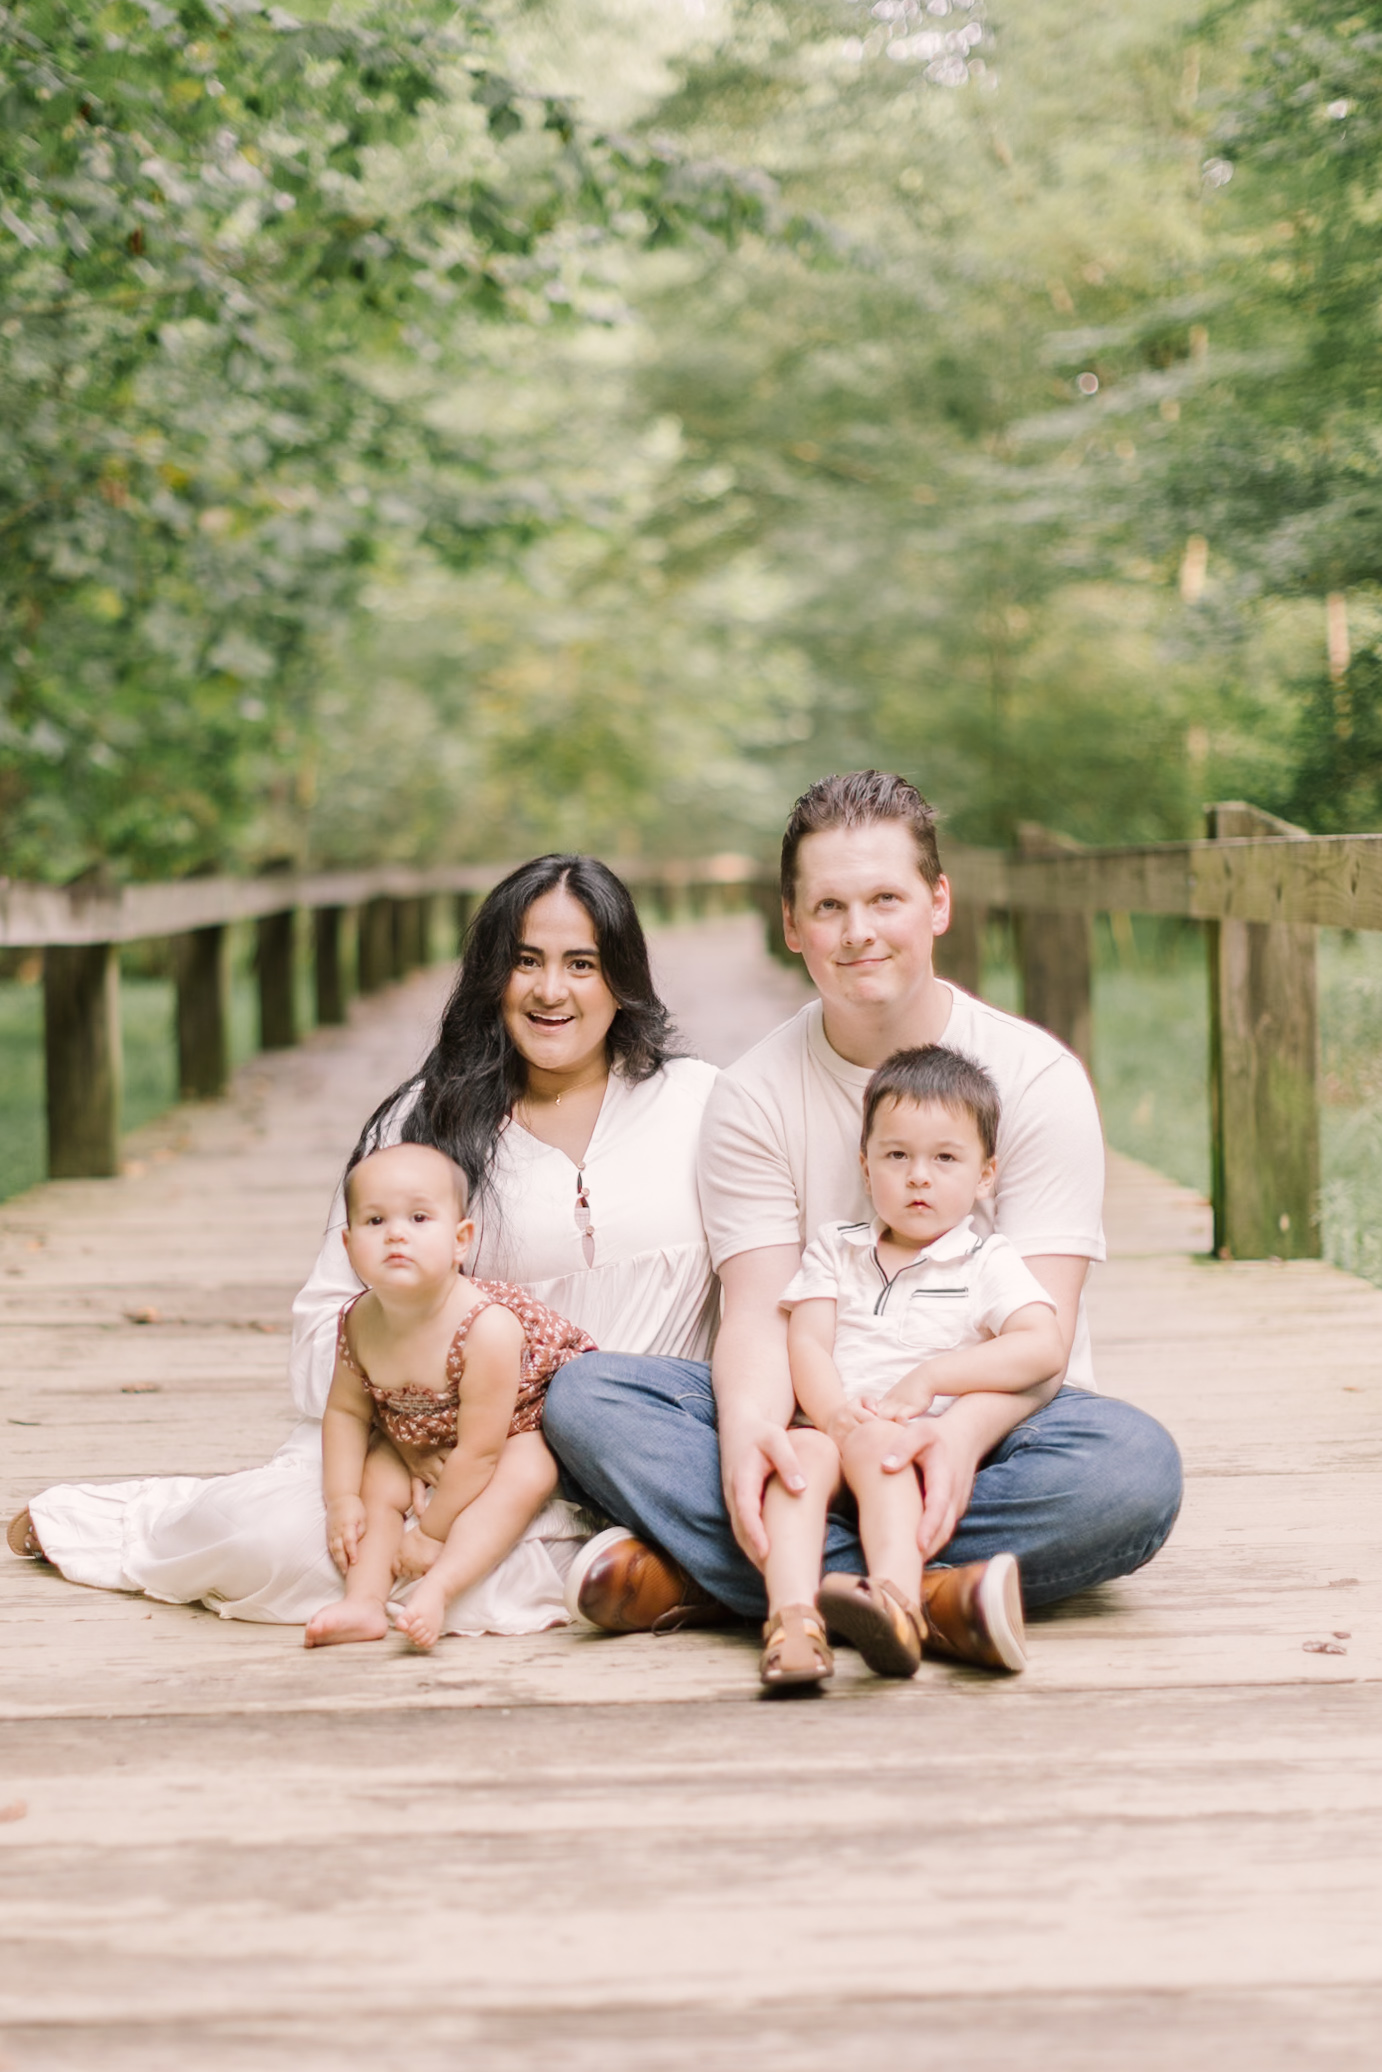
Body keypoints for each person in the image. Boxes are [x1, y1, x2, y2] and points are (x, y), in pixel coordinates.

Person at [551, 771, 1184, 1669]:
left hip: (997, 1430)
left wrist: (954, 1436)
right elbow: (758, 1313)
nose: (858, 933)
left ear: (937, 903)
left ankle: (726, 1582)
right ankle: (927, 1596)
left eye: (886, 898)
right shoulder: (753, 1095)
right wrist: (754, 1445)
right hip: (816, 1417)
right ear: (791, 924)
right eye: (829, 906)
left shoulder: (1033, 1078)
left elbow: (1044, 1336)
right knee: (588, 1398)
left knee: (1132, 1470)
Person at [13, 857, 718, 1638]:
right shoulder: (424, 1122)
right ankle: (648, 1571)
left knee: (530, 1518)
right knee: (281, 1540)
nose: (552, 991)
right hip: (443, 1458)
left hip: (645, 1446)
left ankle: (639, 1553)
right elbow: (326, 1324)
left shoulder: (703, 1104)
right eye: (526, 961)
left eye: (581, 964)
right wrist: (415, 1426)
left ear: (621, 976)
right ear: (492, 976)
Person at [759, 1044, 1063, 1692]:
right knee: (793, 1461)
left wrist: (930, 1377)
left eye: (945, 1158)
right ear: (867, 1167)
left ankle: (894, 1601)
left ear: (985, 1175)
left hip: (911, 1443)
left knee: (881, 1448)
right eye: (897, 1156)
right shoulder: (837, 1248)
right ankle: (792, 1622)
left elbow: (1042, 1346)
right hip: (832, 1424)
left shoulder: (986, 1261)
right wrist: (833, 1413)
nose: (918, 1176)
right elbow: (808, 1343)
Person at [305, 1141, 593, 1651]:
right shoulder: (358, 1321)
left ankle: (438, 1589)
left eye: (419, 1218)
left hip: (516, 1421)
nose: (396, 1233)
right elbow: (347, 1412)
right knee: (378, 1473)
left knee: (527, 1473)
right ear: (349, 1248)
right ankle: (364, 1601)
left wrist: (432, 1531)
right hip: (422, 1426)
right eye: (375, 1222)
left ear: (460, 1241)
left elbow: (482, 1452)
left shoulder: (486, 1327)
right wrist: (340, 1498)